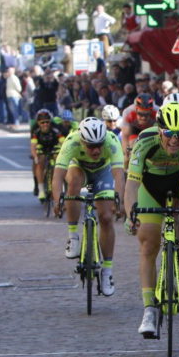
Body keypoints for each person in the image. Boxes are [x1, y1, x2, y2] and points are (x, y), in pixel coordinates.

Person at [123, 103, 179, 337]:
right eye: (170, 133)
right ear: (159, 130)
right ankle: (149, 310)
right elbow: (131, 184)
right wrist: (130, 213)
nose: (175, 140)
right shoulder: (145, 140)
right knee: (148, 245)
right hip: (150, 185)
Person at [52, 117, 125, 297]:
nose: (96, 150)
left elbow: (119, 176)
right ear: (82, 141)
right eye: (91, 146)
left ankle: (107, 271)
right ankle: (73, 236)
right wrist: (57, 199)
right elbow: (58, 176)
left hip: (103, 172)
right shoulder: (72, 141)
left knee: (106, 217)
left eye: (99, 145)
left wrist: (120, 201)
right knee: (73, 183)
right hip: (79, 169)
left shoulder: (112, 141)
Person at [30, 109, 64, 201]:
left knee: (58, 160)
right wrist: (35, 156)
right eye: (42, 122)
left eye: (47, 122)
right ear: (38, 123)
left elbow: (63, 142)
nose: (45, 124)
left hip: (54, 146)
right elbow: (33, 145)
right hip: (42, 146)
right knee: (39, 161)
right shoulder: (35, 130)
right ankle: (41, 189)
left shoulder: (56, 128)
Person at [121, 93, 158, 165]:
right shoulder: (128, 112)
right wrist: (126, 154)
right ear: (136, 109)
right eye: (140, 114)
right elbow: (125, 136)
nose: (143, 117)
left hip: (151, 129)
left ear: (151, 111)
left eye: (146, 114)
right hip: (135, 129)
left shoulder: (158, 112)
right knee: (132, 148)